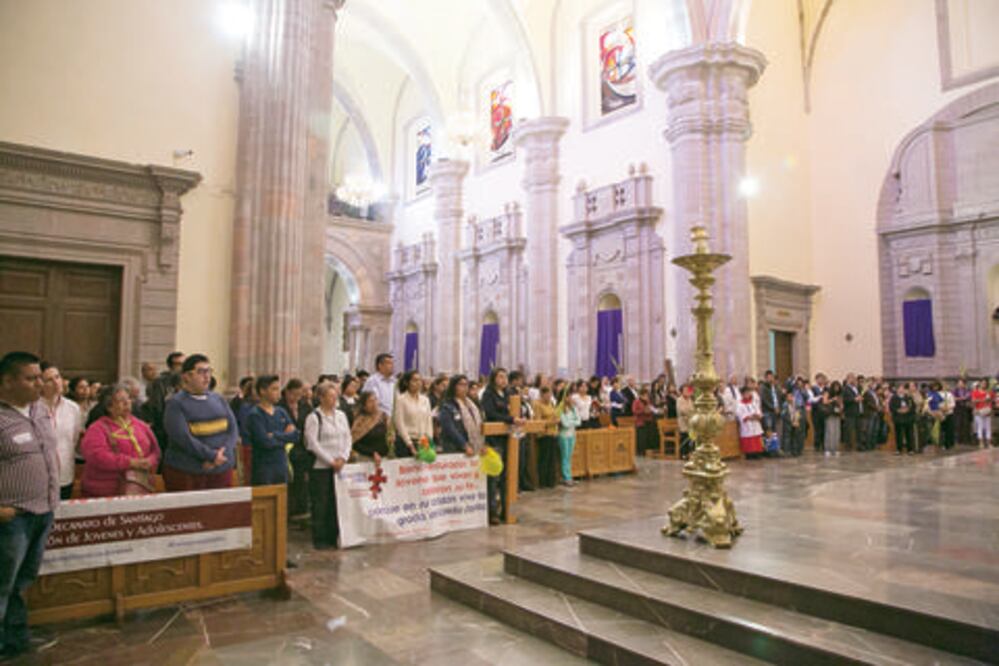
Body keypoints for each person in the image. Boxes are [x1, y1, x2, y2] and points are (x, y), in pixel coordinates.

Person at [0, 352, 59, 659]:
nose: (40, 383)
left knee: (22, 582)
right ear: (8, 382)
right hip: (11, 518)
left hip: (42, 512)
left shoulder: (38, 410)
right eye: (31, 378)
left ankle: (15, 639)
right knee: (2, 585)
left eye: (41, 377)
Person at [161, 354, 237, 491]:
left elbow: (232, 429)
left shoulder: (219, 399)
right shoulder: (176, 403)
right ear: (186, 377)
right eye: (201, 372)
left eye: (209, 371)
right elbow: (183, 438)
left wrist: (221, 455)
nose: (207, 376)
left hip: (221, 469)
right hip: (188, 471)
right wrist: (211, 456)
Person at [79, 384, 160, 497]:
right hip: (105, 490)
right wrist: (130, 462)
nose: (127, 403)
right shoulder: (97, 428)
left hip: (139, 485)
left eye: (128, 398)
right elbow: (96, 456)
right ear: (109, 407)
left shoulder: (140, 425)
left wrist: (149, 461)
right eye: (121, 400)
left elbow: (155, 450)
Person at [304, 383, 351, 549]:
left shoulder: (341, 415)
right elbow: (313, 443)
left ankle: (334, 535)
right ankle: (321, 538)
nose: (334, 399)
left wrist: (343, 458)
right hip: (321, 466)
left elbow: (347, 438)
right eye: (330, 396)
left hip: (339, 465)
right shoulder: (314, 417)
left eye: (335, 396)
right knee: (321, 503)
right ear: (321, 398)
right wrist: (331, 461)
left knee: (335, 502)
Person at [481, 368, 522, 523]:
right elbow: (491, 414)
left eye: (505, 377)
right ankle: (493, 513)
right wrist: (511, 419)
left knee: (510, 477)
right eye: (500, 377)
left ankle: (509, 511)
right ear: (493, 379)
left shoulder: (509, 394)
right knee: (494, 478)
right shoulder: (488, 394)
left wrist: (516, 419)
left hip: (509, 439)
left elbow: (516, 411)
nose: (503, 380)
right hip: (495, 440)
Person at [39, 362, 82, 500]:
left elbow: (73, 439)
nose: (56, 382)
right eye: (49, 380)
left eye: (57, 377)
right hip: (39, 477)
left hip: (65, 474)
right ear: (40, 384)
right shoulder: (32, 408)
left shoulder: (73, 408)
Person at [247, 376, 299, 486]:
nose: (278, 392)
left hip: (281, 465)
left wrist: (275, 435)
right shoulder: (255, 414)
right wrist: (285, 436)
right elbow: (265, 442)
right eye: (274, 389)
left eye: (278, 389)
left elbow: (295, 436)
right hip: (264, 468)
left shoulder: (281, 412)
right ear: (262, 391)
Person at [143, 351, 186, 459]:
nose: (183, 367)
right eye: (179, 364)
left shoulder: (188, 379)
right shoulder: (160, 382)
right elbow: (157, 406)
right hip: (165, 429)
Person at [278, 378, 310, 520]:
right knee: (288, 481)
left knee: (301, 480)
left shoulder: (305, 406)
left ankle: (300, 510)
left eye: (299, 395)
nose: (296, 398)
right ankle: (288, 511)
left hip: (302, 448)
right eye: (294, 394)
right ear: (287, 392)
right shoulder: (280, 407)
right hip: (286, 449)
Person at [438, 374, 484, 456]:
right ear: (454, 386)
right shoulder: (448, 405)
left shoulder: (472, 404)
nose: (465, 387)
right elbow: (449, 428)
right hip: (454, 447)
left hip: (473, 445)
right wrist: (464, 445)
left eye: (466, 385)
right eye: (461, 384)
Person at [393, 370, 433, 458]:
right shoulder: (401, 399)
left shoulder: (425, 400)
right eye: (414, 380)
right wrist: (410, 445)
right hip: (405, 443)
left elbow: (428, 423)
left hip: (422, 442)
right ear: (407, 383)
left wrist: (428, 443)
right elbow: (399, 424)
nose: (418, 383)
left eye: (419, 380)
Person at [531, 386, 559, 488]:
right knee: (544, 459)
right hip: (544, 434)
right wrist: (550, 422)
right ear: (542, 395)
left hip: (553, 433)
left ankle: (551, 481)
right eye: (547, 395)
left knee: (552, 458)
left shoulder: (551, 403)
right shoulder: (537, 405)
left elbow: (554, 414)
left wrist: (556, 420)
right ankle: (543, 481)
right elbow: (538, 421)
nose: (549, 397)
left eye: (550, 394)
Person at [350, 391, 389, 461]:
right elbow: (354, 443)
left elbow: (389, 436)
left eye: (375, 400)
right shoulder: (360, 421)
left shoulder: (384, 417)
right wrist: (372, 453)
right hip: (365, 459)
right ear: (364, 405)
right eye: (370, 401)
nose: (374, 403)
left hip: (383, 458)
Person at [556, 385, 582, 487]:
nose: (570, 398)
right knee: (565, 457)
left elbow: (579, 421)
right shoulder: (560, 409)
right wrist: (572, 422)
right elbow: (564, 424)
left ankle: (569, 476)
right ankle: (566, 477)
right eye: (568, 396)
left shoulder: (573, 408)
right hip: (563, 435)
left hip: (572, 434)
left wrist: (571, 422)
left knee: (569, 457)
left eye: (570, 396)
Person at [735, 385, 764, 459]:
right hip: (747, 425)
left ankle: (757, 452)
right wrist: (749, 417)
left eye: (749, 393)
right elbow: (740, 414)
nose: (748, 394)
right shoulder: (740, 405)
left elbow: (758, 411)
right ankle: (749, 454)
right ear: (742, 394)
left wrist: (758, 415)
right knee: (749, 439)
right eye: (746, 393)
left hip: (755, 423)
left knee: (756, 438)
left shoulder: (753, 403)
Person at [362, 353, 395, 417]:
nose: (392, 366)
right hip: (378, 419)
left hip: (393, 419)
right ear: (380, 365)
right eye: (389, 363)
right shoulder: (372, 381)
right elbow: (366, 402)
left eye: (392, 363)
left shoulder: (394, 381)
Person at [890, 384, 916, 455]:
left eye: (902, 389)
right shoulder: (894, 398)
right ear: (897, 390)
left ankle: (910, 449)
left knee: (909, 434)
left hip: (908, 418)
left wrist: (908, 410)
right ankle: (899, 449)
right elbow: (891, 407)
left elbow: (913, 407)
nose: (901, 390)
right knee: (898, 434)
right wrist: (898, 410)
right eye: (900, 388)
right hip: (898, 418)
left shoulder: (909, 397)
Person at [780, 387, 805, 457]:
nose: (790, 398)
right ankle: (787, 451)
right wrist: (790, 421)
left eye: (792, 396)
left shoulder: (796, 405)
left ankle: (795, 451)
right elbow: (783, 415)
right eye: (789, 397)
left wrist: (796, 420)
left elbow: (799, 413)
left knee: (795, 437)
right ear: (786, 398)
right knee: (787, 437)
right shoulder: (784, 405)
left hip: (795, 422)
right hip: (787, 423)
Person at [632, 387, 658, 454]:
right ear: (641, 395)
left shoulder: (648, 402)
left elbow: (651, 408)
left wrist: (651, 410)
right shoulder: (636, 402)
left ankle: (648, 449)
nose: (646, 397)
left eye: (647, 395)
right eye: (645, 395)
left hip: (648, 420)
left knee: (650, 435)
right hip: (640, 422)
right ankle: (640, 451)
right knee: (641, 437)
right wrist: (643, 411)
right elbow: (634, 411)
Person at [971, 380, 992, 449]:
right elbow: (973, 401)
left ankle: (989, 443)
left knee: (988, 427)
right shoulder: (975, 392)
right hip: (978, 411)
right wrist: (982, 400)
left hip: (987, 411)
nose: (984, 385)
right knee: (980, 427)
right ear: (980, 384)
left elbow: (990, 401)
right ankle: (981, 443)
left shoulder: (988, 392)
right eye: (983, 383)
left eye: (985, 384)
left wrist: (990, 409)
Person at [676, 384, 695, 459]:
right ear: (682, 391)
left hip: (691, 421)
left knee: (693, 436)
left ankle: (691, 452)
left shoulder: (690, 400)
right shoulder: (679, 400)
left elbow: (693, 409)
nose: (687, 392)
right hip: (683, 421)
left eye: (688, 390)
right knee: (685, 436)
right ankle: (684, 454)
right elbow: (682, 410)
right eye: (686, 390)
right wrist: (689, 411)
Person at [952, 378, 972, 445]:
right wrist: (962, 398)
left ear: (964, 384)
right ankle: (957, 440)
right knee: (957, 424)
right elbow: (953, 398)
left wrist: (960, 398)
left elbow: (968, 397)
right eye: (959, 383)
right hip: (957, 409)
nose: (960, 385)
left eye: (962, 383)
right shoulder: (955, 390)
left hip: (965, 408)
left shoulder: (967, 390)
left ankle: (966, 440)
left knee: (965, 423)